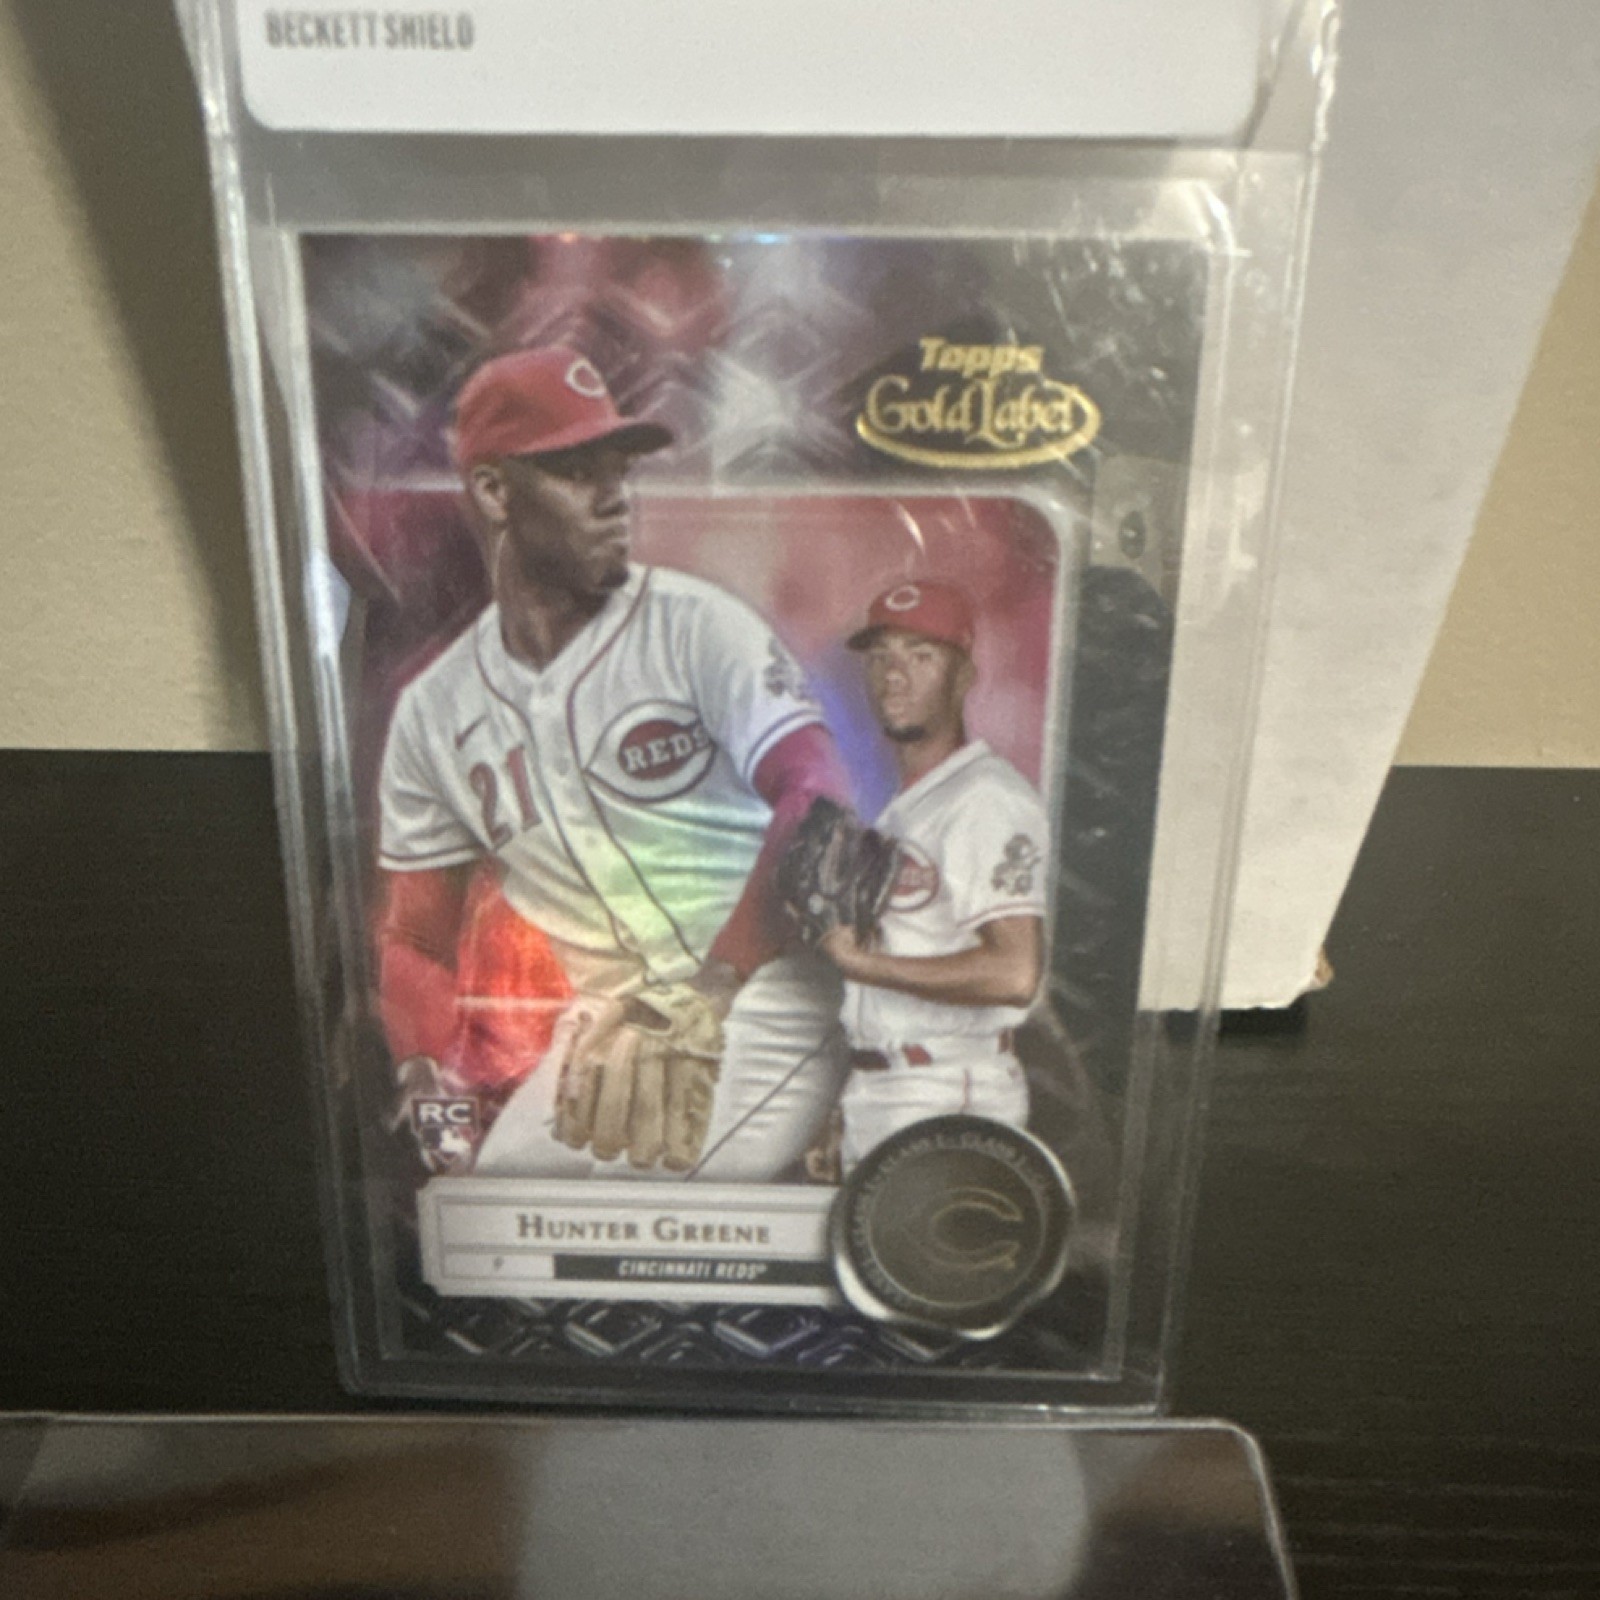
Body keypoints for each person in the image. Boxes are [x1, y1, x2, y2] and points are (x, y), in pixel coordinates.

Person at [375, 345, 851, 1179]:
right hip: (606, 1025)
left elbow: (819, 795)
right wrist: (419, 1066)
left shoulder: (696, 627)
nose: (615, 497)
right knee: (501, 1213)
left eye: (619, 469)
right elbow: (417, 933)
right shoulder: (434, 710)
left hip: (770, 990)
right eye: (575, 471)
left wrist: (715, 984)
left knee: (639, 1207)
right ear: (494, 491)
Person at [817, 579, 1050, 1173]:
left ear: (963, 676)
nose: (895, 675)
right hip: (896, 1086)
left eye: (921, 656)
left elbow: (1014, 972)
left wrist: (863, 965)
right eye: (881, 657)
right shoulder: (911, 806)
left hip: (949, 1087)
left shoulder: (984, 799)